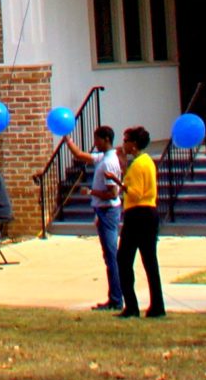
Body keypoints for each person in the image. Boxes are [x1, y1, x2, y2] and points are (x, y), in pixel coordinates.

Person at [68, 124, 124, 310]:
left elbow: (113, 193)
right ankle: (114, 297)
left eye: (97, 139)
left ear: (106, 139)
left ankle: (116, 299)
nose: (95, 143)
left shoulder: (109, 162)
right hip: (103, 211)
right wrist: (67, 140)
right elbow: (81, 155)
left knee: (111, 256)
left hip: (108, 212)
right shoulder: (104, 157)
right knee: (108, 256)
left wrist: (91, 191)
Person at [116, 125, 164, 318]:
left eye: (126, 140)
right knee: (150, 261)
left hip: (137, 215)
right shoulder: (147, 162)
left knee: (124, 259)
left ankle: (131, 306)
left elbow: (135, 193)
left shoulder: (138, 165)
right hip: (150, 213)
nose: (123, 144)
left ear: (134, 144)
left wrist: (120, 182)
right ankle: (157, 305)